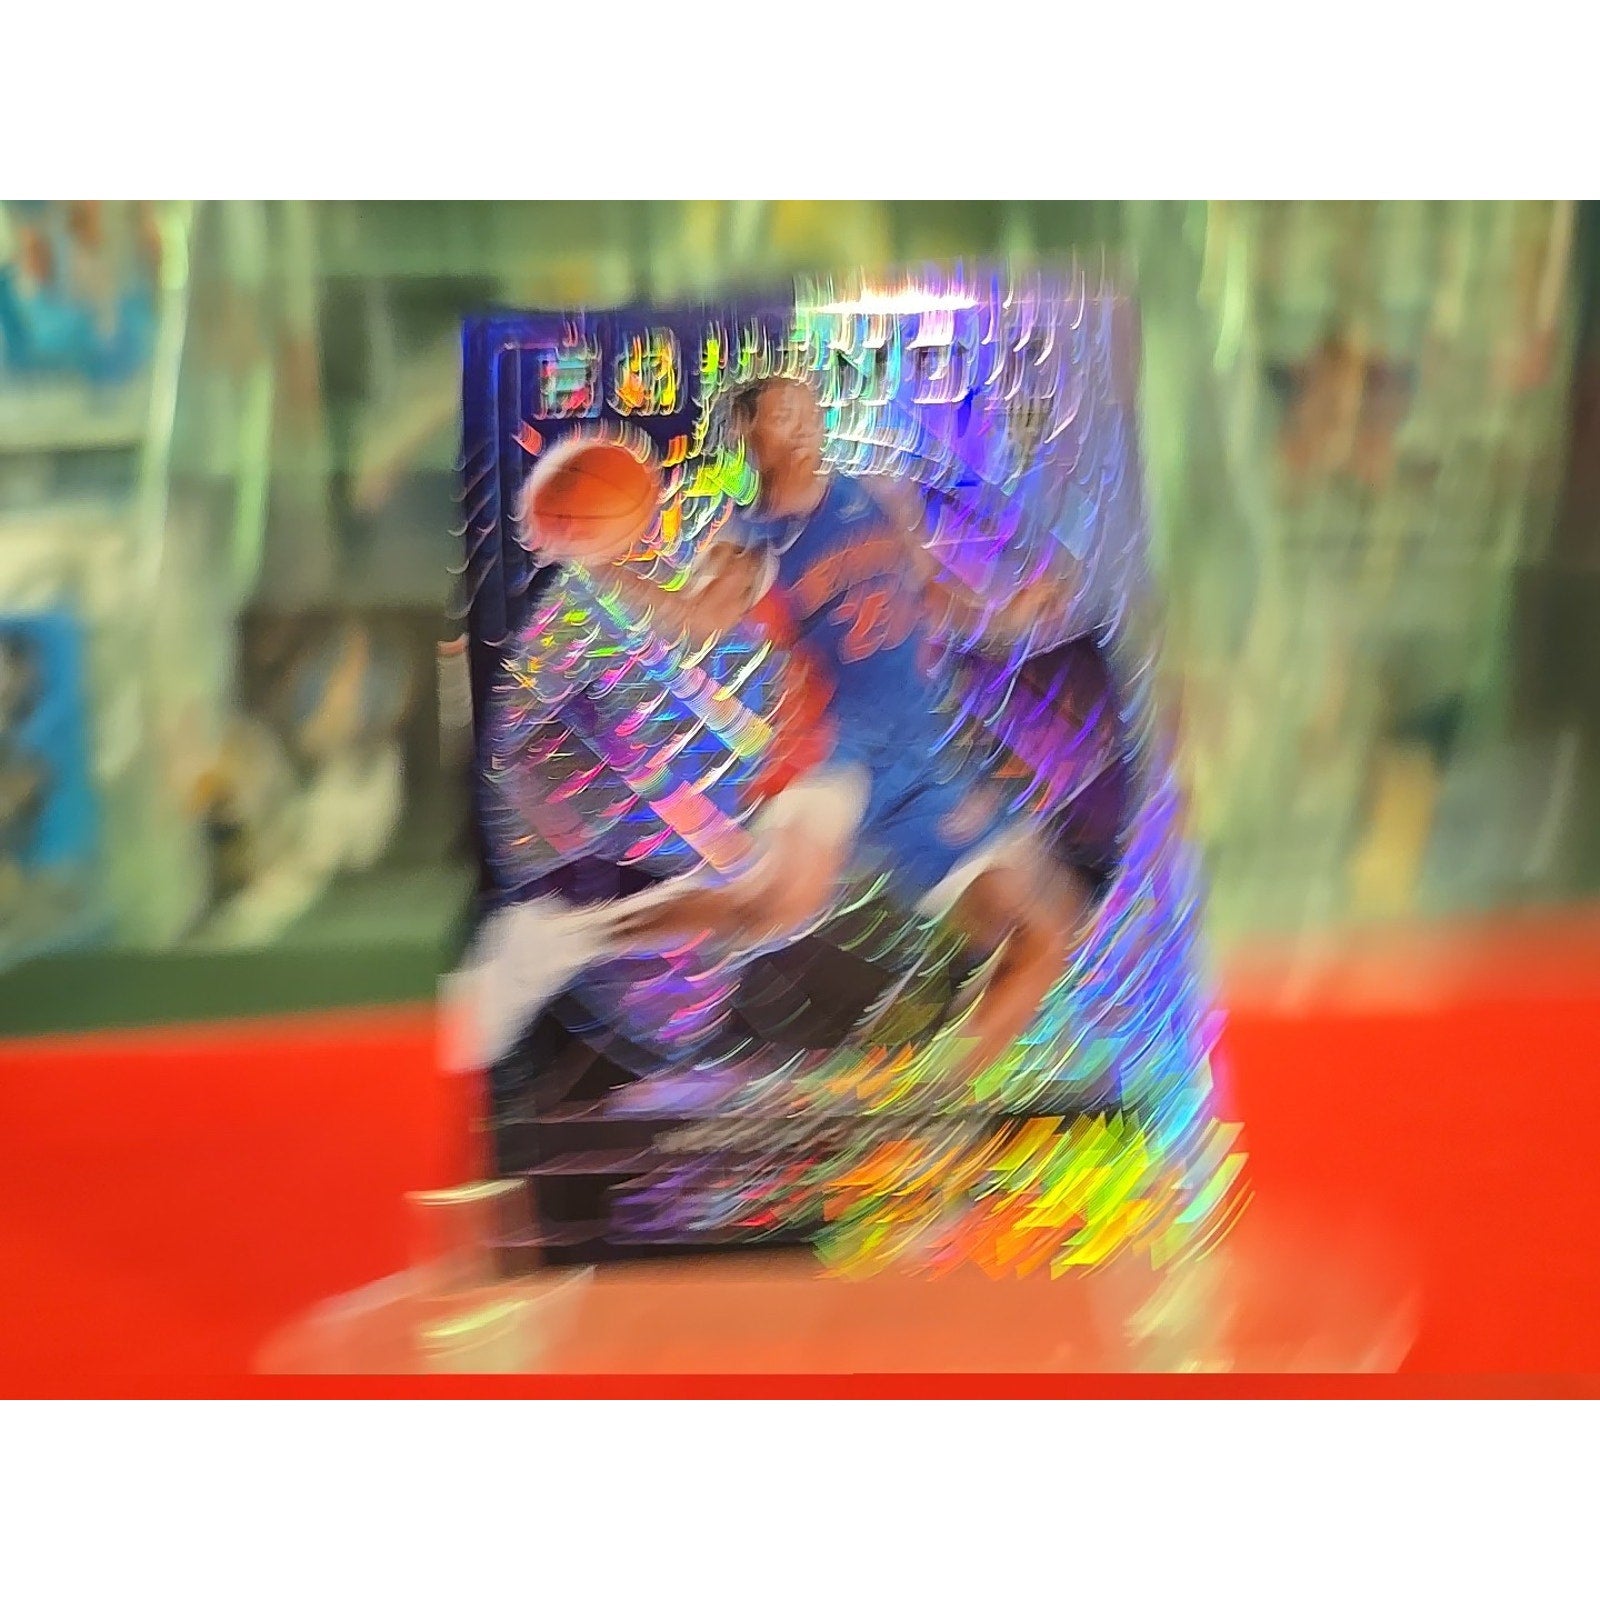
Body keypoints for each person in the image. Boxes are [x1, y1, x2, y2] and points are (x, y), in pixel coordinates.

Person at [474, 375, 1100, 1079]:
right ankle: (562, 938)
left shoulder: (880, 497)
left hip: (916, 751)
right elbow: (697, 620)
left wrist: (1009, 612)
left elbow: (929, 592)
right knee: (776, 907)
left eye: (807, 412)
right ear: (748, 434)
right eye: (782, 416)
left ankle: (926, 1104)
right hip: (829, 742)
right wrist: (605, 567)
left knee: (1041, 937)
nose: (802, 426)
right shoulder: (750, 542)